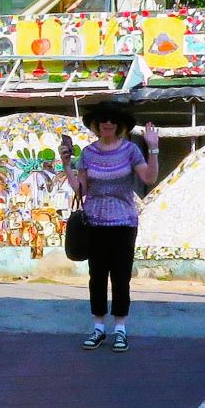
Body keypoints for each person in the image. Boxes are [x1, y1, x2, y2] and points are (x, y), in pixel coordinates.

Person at [61, 103, 160, 352]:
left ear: (119, 125)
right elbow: (80, 189)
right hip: (94, 223)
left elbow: (149, 178)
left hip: (124, 223)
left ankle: (120, 329)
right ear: (96, 125)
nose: (107, 124)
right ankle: (98, 328)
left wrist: (154, 147)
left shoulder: (130, 150)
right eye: (103, 120)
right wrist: (66, 164)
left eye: (112, 120)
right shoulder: (88, 153)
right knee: (97, 277)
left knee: (120, 277)